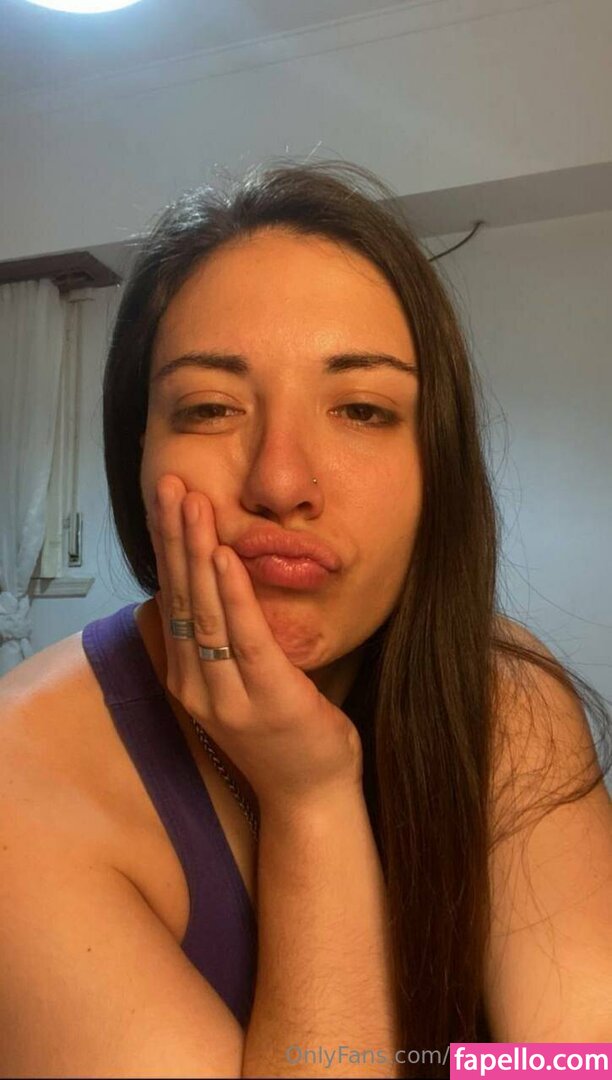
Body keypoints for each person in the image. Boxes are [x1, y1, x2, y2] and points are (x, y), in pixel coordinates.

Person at [0, 160, 610, 1080]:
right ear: (139, 451)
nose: (281, 482)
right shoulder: (21, 780)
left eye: (362, 409)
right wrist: (310, 802)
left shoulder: (506, 698)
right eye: (210, 408)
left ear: (437, 463)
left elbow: (576, 1061)